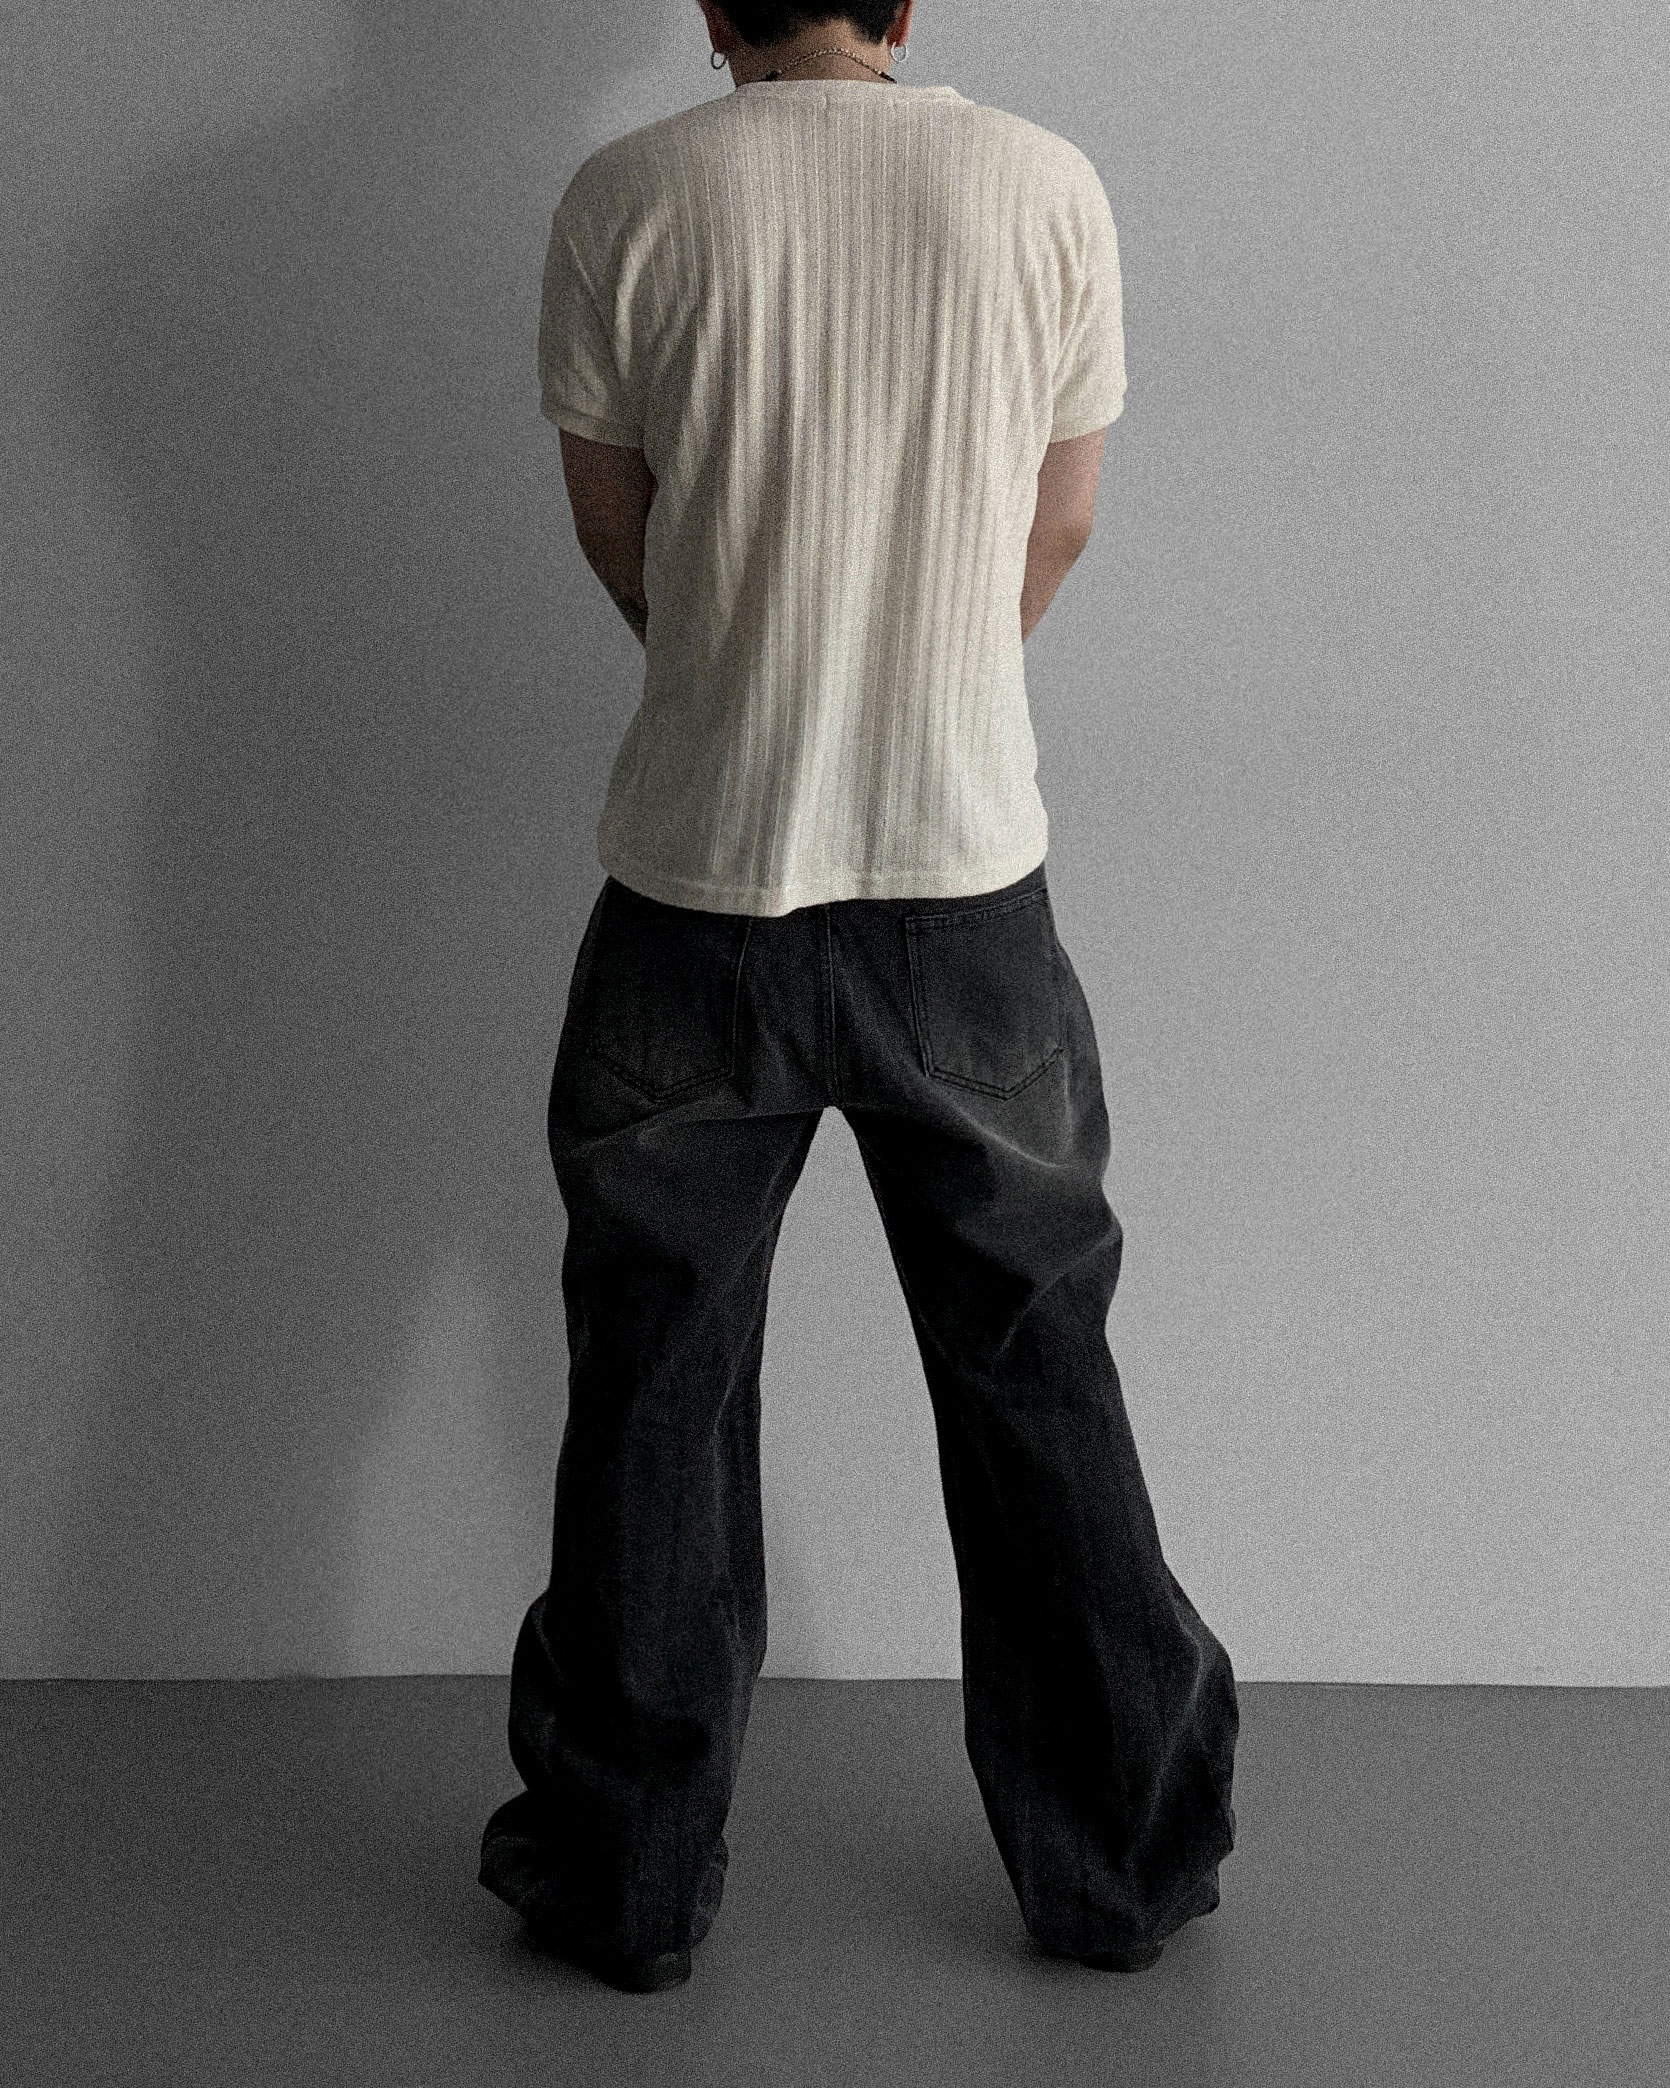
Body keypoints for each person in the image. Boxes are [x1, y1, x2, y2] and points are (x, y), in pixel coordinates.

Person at [478, 0, 1239, 1995]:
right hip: (960, 885)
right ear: (903, 6)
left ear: (708, 6)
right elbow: (1058, 519)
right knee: (1034, 1371)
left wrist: (745, 680)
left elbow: (618, 532)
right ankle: (1120, 1869)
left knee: (653, 1384)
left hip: (694, 885)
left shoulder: (628, 198)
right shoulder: (1040, 185)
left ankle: (624, 1882)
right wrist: (928, 686)